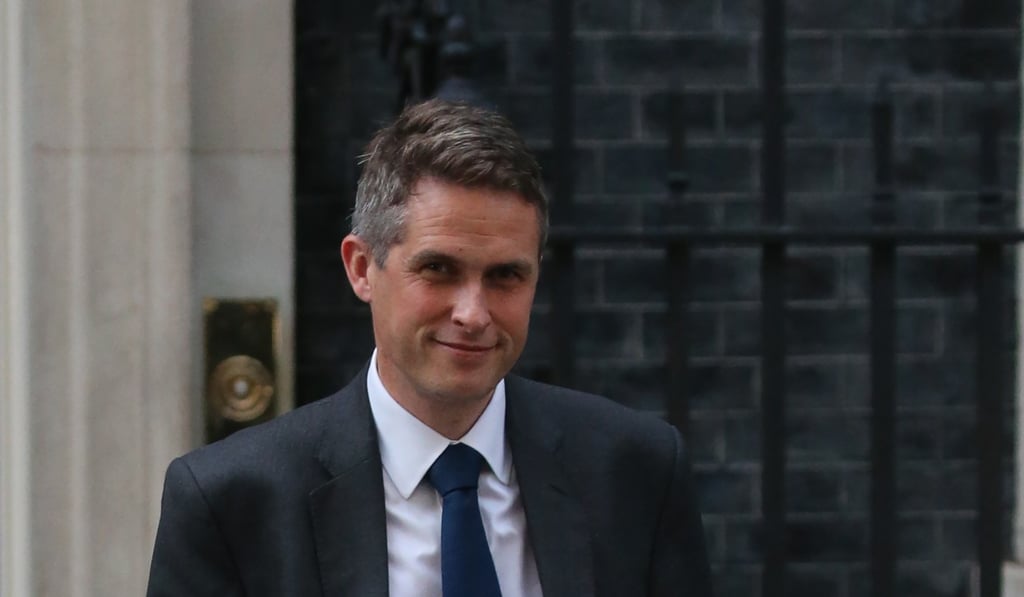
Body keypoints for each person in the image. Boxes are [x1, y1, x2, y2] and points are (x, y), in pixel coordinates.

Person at [146, 99, 713, 597]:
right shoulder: (232, 502)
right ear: (362, 268)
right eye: (438, 269)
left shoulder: (636, 472)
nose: (473, 312)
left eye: (505, 276)